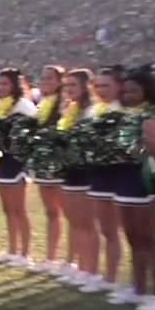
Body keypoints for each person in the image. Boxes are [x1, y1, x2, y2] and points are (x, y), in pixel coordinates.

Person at [107, 69, 155, 309]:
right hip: (124, 180)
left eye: (135, 91)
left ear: (147, 92)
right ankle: (138, 287)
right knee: (132, 238)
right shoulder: (121, 115)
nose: (128, 95)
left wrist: (139, 143)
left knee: (148, 239)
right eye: (126, 90)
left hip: (145, 180)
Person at [55, 69, 101, 287]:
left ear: (86, 86)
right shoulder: (70, 110)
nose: (69, 90)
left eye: (73, 85)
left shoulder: (92, 111)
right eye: (66, 86)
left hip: (85, 171)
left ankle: (91, 270)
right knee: (74, 222)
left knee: (86, 223)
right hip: (70, 170)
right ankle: (80, 266)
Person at [81, 67, 125, 295]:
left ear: (119, 86)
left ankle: (113, 276)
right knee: (105, 228)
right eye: (98, 86)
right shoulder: (92, 112)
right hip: (98, 174)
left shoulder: (124, 111)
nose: (102, 90)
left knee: (119, 230)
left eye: (107, 85)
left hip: (118, 174)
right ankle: (104, 275)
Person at [0, 68, 37, 267]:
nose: (0, 87)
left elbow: (34, 131)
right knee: (8, 209)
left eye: (5, 84)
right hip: (3, 160)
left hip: (18, 162)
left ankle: (25, 254)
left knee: (19, 209)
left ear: (15, 85)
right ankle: (12, 250)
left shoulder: (23, 105)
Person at [27, 66, 66, 273]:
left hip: (60, 165)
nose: (45, 81)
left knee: (69, 214)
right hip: (43, 165)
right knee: (51, 212)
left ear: (60, 81)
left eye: (50, 78)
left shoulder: (64, 104)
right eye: (43, 78)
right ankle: (50, 258)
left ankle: (71, 261)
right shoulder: (41, 103)